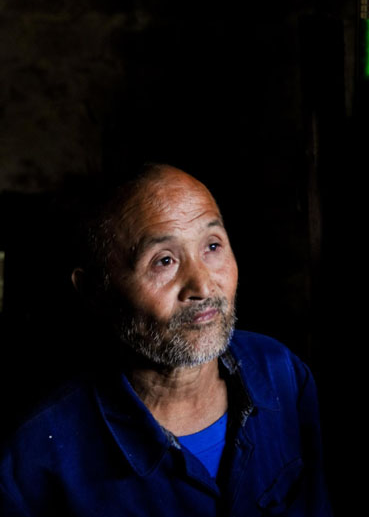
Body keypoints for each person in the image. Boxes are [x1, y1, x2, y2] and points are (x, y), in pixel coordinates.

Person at [0, 164, 332, 516]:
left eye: (213, 246)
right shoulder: (37, 458)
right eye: (165, 260)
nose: (203, 287)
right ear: (95, 291)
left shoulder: (281, 373)